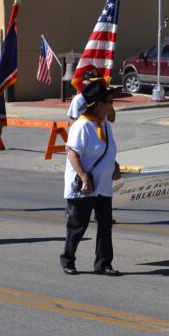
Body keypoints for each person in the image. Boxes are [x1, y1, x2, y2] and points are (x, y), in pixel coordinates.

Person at [61, 79, 123, 276]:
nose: (112, 104)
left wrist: (114, 165)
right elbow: (72, 153)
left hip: (103, 185)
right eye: (109, 100)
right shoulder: (82, 126)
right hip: (84, 185)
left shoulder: (104, 125)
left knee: (105, 225)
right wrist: (84, 177)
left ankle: (103, 263)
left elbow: (107, 149)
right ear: (98, 104)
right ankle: (68, 259)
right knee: (78, 226)